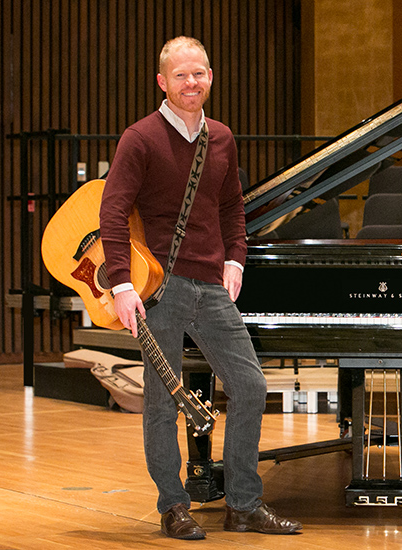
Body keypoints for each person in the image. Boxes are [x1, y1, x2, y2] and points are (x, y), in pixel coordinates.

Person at [100, 36, 301, 540]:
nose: (193, 82)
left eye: (201, 73)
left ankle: (244, 505)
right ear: (163, 82)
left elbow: (232, 206)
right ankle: (174, 505)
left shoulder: (223, 138)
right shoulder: (140, 138)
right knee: (162, 401)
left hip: (212, 284)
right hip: (159, 288)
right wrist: (123, 284)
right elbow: (113, 212)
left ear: (211, 77)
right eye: (183, 75)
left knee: (251, 387)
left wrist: (236, 258)